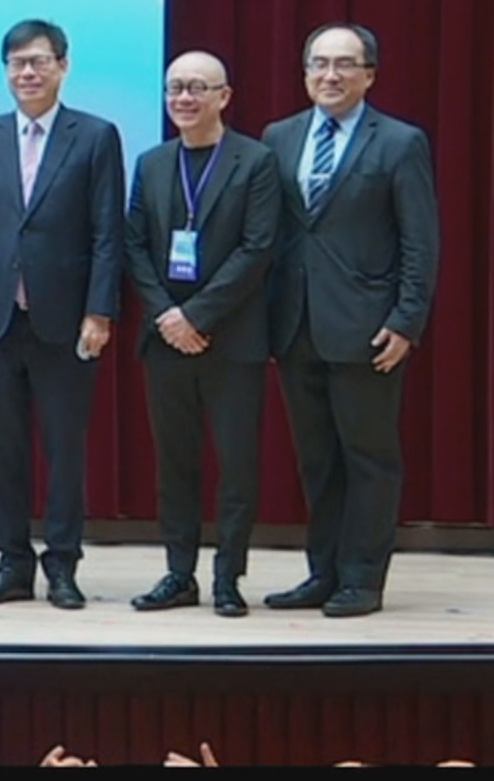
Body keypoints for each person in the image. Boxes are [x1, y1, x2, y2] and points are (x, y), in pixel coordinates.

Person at [262, 23, 438, 618]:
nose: (330, 75)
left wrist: (407, 320)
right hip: (296, 325)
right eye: (319, 63)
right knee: (317, 460)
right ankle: (324, 573)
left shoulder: (400, 142)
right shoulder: (280, 136)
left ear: (369, 75)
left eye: (344, 64)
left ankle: (363, 579)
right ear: (305, 72)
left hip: (369, 329)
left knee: (368, 459)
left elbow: (420, 240)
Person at [0, 18, 124, 610]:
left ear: (63, 66)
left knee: (65, 451)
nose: (27, 72)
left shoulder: (95, 136)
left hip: (66, 321)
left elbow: (107, 234)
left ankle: (63, 564)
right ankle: (12, 564)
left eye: (39, 61)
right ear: (6, 71)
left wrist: (99, 312)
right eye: (17, 63)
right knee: (4, 452)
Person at [124, 51, 280, 618]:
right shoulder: (151, 162)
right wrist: (168, 315)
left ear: (224, 96)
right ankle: (179, 573)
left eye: (197, 87)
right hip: (166, 340)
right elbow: (134, 245)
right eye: (175, 88)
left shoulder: (256, 161)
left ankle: (228, 577)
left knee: (236, 465)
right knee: (176, 463)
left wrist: (198, 316)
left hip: (231, 340)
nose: (184, 98)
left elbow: (258, 248)